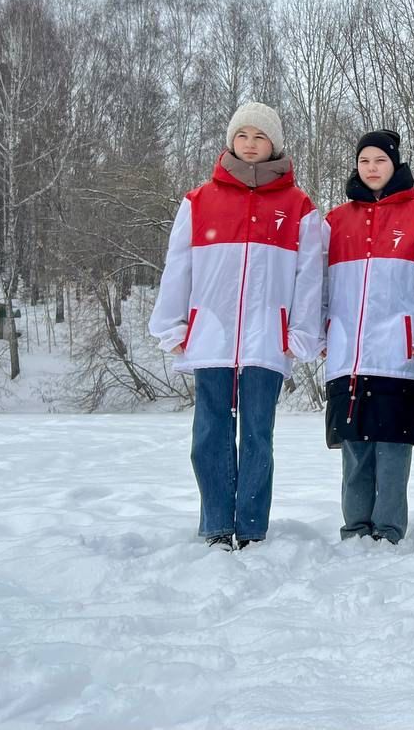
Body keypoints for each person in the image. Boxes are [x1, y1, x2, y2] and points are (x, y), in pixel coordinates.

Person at [149, 101, 323, 550]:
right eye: (242, 135)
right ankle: (215, 524)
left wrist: (300, 332)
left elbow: (309, 277)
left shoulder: (298, 205)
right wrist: (173, 325)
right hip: (212, 336)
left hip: (268, 339)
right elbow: (178, 267)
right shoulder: (199, 201)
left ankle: (250, 526)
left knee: (258, 434)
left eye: (260, 137)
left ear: (274, 145)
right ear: (231, 141)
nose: (250, 144)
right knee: (210, 432)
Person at [322, 130, 414, 544]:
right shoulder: (335, 221)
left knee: (392, 450)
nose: (372, 168)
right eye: (365, 161)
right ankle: (355, 527)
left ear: (394, 165)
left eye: (380, 160)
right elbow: (319, 285)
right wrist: (323, 329)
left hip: (399, 353)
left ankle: (389, 529)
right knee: (355, 449)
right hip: (349, 355)